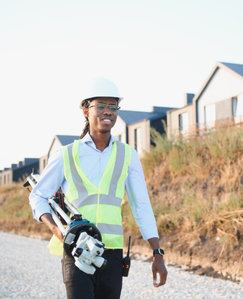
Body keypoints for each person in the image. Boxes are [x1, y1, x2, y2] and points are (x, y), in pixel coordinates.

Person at [29, 77, 168, 299]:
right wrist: (57, 230)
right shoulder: (66, 154)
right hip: (76, 251)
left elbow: (141, 205)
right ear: (85, 110)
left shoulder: (127, 155)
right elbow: (38, 197)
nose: (108, 112)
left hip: (112, 255)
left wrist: (157, 252)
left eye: (113, 107)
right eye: (101, 106)